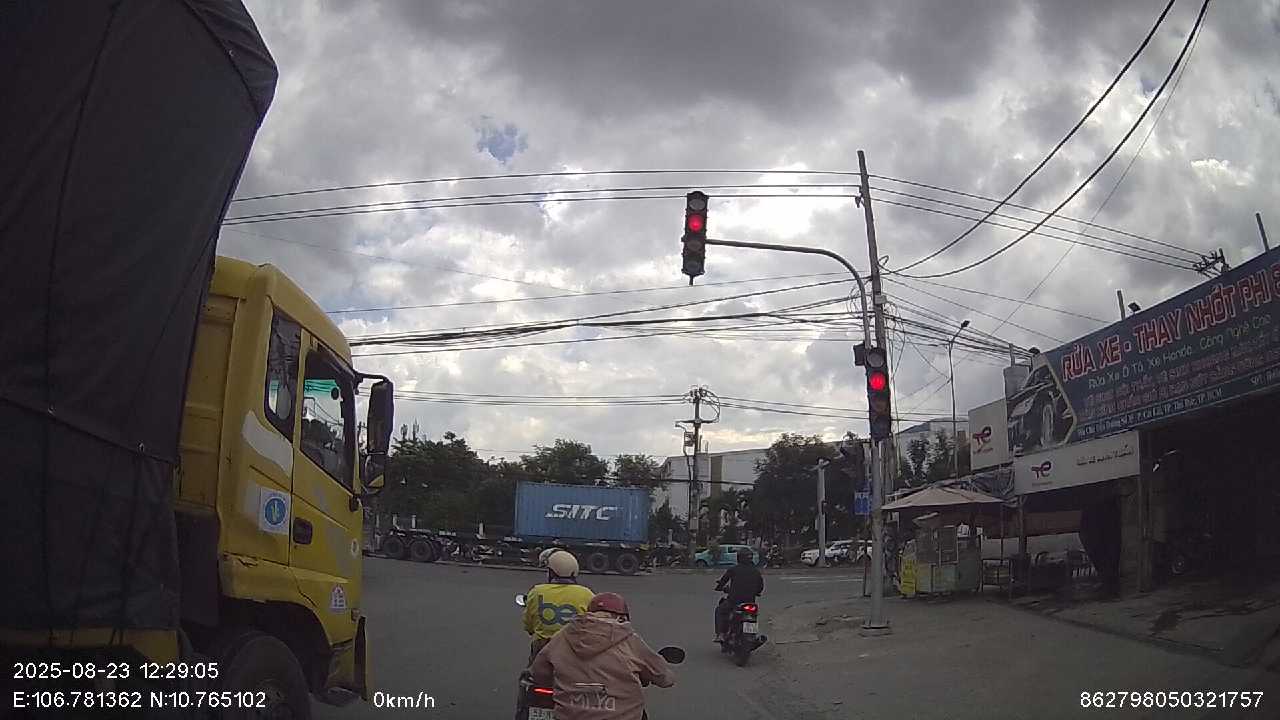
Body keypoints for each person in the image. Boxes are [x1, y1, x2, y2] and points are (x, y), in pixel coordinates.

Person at [530, 592, 674, 720]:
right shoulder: (630, 640)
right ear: (622, 617)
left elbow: (538, 673)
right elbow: (664, 678)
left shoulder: (563, 635)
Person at [523, 550, 594, 665]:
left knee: (532, 672)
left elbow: (528, 625)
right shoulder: (587, 594)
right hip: (573, 648)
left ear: (552, 572)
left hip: (543, 647)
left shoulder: (537, 591)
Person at [714, 549, 764, 642]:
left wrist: (719, 587)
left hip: (734, 601)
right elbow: (761, 586)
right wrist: (757, 592)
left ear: (739, 558)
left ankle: (721, 634)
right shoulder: (756, 571)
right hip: (750, 602)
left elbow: (723, 580)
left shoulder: (734, 569)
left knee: (720, 610)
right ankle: (752, 635)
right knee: (753, 615)